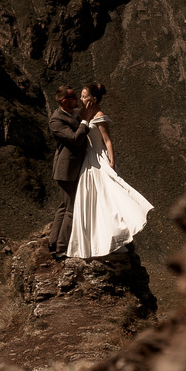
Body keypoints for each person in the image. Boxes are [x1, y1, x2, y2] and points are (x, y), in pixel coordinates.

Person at [65, 83, 152, 258]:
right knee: (90, 198)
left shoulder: (100, 116)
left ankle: (113, 236)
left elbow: (107, 140)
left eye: (84, 97)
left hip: (98, 158)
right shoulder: (80, 115)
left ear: (93, 99)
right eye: (81, 96)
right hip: (87, 161)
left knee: (105, 197)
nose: (81, 99)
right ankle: (92, 242)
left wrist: (112, 161)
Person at [47, 86, 89, 256]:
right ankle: (61, 249)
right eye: (73, 97)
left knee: (64, 206)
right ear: (64, 101)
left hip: (73, 167)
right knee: (71, 208)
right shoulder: (56, 120)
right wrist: (84, 122)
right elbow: (74, 139)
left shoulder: (75, 113)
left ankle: (53, 242)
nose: (77, 99)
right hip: (66, 170)